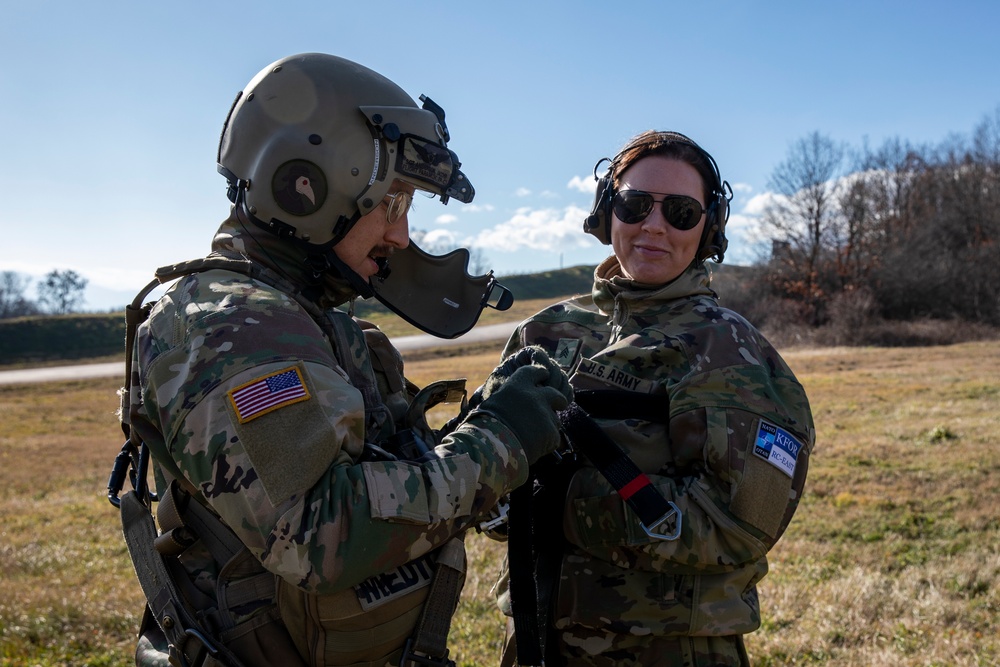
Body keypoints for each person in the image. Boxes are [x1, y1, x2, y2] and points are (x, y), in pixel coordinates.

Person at [112, 52, 572, 667]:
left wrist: (473, 427)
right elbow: (318, 532)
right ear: (313, 186)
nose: (400, 235)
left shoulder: (303, 314)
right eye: (394, 202)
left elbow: (368, 470)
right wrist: (497, 443)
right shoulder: (235, 326)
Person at [491, 130, 815, 666]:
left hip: (667, 649)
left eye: (682, 212)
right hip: (535, 639)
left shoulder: (728, 350)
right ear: (606, 212)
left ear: (708, 228)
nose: (654, 226)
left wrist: (560, 505)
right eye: (635, 204)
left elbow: (736, 524)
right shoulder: (544, 332)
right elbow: (486, 460)